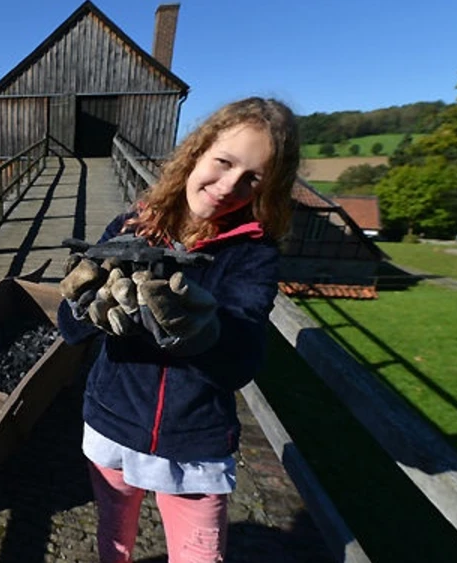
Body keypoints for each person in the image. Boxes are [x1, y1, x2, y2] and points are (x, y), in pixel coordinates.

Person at [57, 97, 300, 563]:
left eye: (253, 178)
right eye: (224, 162)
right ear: (198, 151)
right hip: (112, 420)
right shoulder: (133, 224)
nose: (229, 186)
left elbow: (241, 361)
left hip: (193, 443)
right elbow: (69, 331)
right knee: (114, 542)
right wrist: (81, 305)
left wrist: (202, 332)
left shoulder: (254, 253)